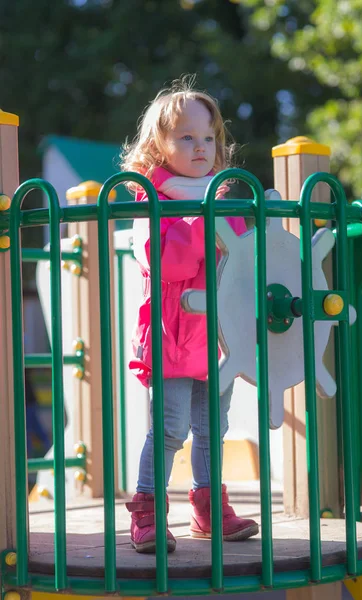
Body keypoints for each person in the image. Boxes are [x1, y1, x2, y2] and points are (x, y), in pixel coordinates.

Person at [120, 76, 259, 554]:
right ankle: (147, 509)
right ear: (158, 145)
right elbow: (168, 261)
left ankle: (207, 506)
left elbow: (238, 257)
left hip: (218, 336)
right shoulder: (151, 200)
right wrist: (205, 224)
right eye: (186, 137)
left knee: (212, 426)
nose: (201, 147)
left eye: (208, 138)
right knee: (170, 426)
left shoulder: (222, 197)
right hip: (174, 334)